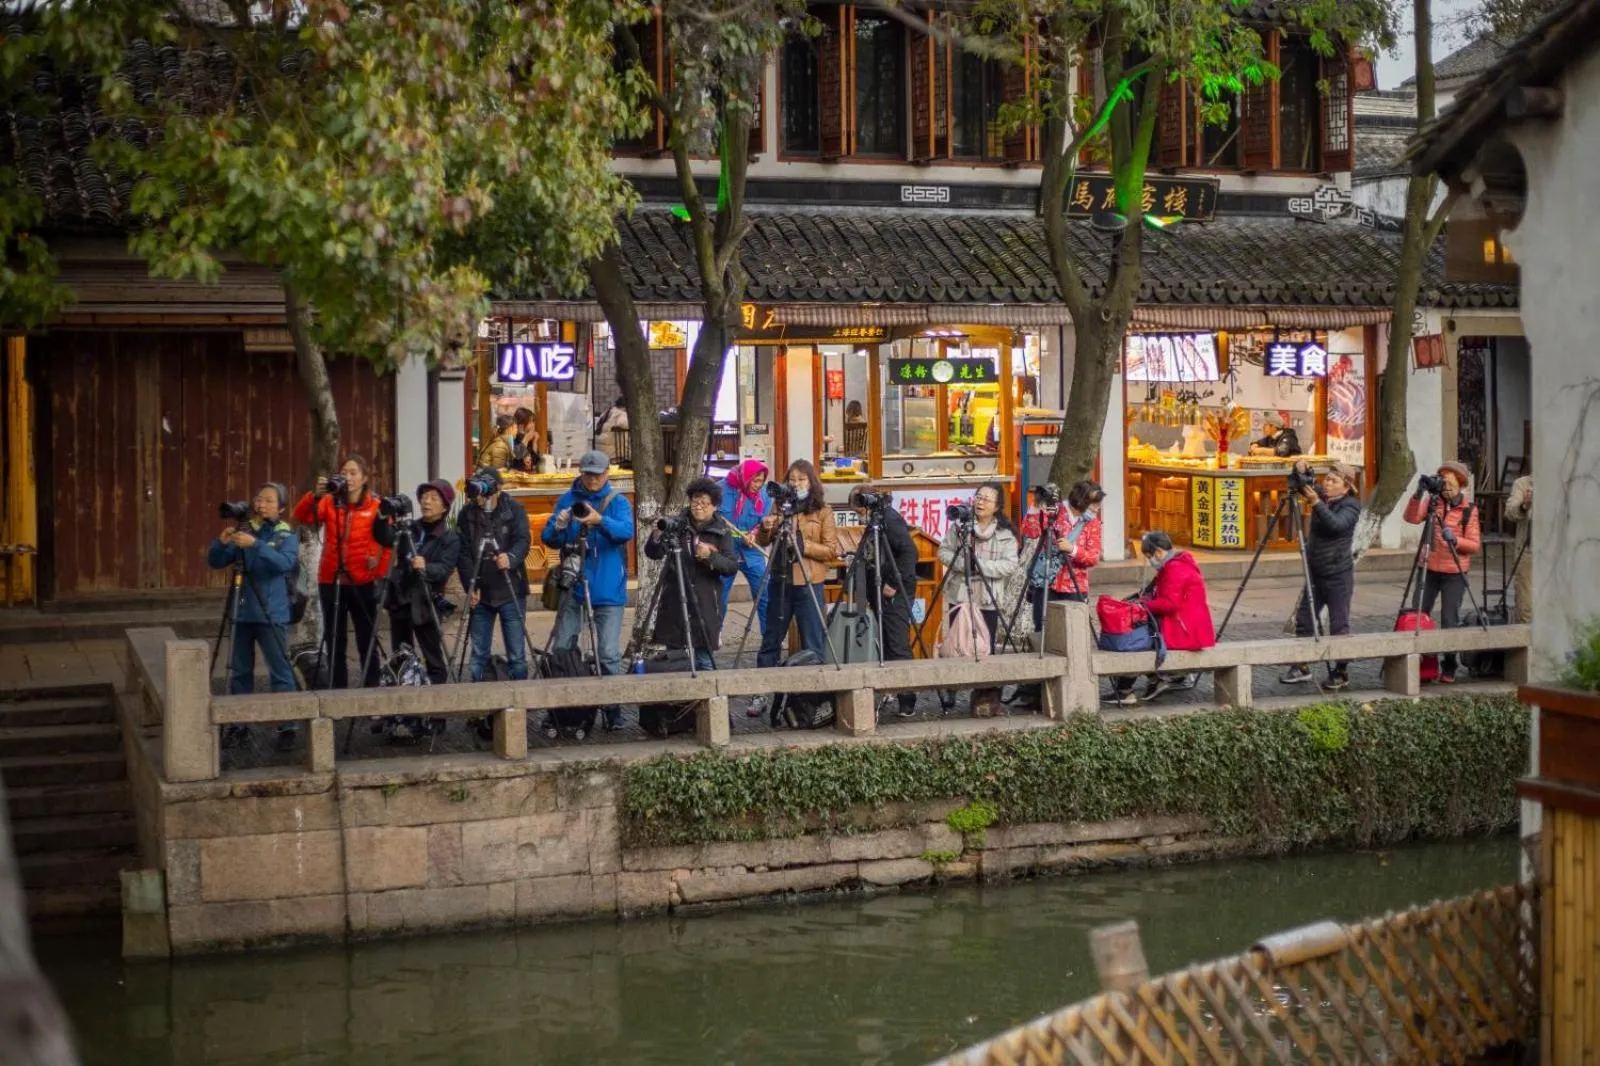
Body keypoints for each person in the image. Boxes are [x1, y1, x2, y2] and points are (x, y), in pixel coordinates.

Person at [543, 450, 635, 724]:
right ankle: (565, 711)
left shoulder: (616, 501)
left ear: (607, 473)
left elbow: (626, 532)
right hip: (573, 584)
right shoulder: (568, 499)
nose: (592, 479)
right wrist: (559, 526)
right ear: (581, 473)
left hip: (607, 587)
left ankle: (613, 710)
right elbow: (549, 538)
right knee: (563, 647)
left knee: (608, 652)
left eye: (597, 474)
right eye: (588, 473)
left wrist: (599, 520)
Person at [207, 482, 300, 749]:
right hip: (242, 610)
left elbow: (283, 564)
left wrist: (256, 545)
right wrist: (221, 543)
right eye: (259, 499)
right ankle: (239, 724)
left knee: (280, 671)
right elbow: (216, 561)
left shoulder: (286, 535)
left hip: (272, 613)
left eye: (269, 500)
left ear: (281, 507)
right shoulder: (246, 531)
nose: (261, 504)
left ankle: (287, 724)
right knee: (239, 672)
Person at [293, 456, 393, 689]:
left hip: (363, 581)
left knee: (366, 638)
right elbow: (302, 517)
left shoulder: (377, 506)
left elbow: (387, 543)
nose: (348, 477)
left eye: (353, 473)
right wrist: (314, 495)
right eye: (344, 472)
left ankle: (371, 690)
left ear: (365, 477)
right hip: (331, 579)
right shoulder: (329, 501)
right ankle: (338, 693)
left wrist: (376, 566)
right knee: (335, 639)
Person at [937, 483, 1020, 717]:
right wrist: (965, 564)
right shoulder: (960, 528)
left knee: (985, 647)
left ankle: (984, 697)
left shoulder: (1006, 535)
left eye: (986, 499)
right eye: (978, 497)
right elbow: (943, 552)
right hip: (960, 595)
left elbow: (1010, 565)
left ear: (998, 507)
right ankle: (951, 689)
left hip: (988, 598)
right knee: (956, 643)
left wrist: (980, 566)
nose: (980, 502)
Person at [644, 477, 740, 671]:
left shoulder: (721, 531)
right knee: (675, 657)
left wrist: (710, 557)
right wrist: (655, 537)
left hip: (704, 600)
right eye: (695, 502)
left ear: (714, 506)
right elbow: (654, 554)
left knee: (704, 656)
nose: (698, 507)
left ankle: (708, 698)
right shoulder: (677, 525)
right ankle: (678, 700)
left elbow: (731, 566)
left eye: (704, 503)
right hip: (675, 597)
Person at [753, 460, 839, 676]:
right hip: (780, 580)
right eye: (792, 479)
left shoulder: (823, 511)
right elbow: (764, 542)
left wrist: (802, 545)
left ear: (811, 482)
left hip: (808, 582)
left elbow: (831, 550)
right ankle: (762, 690)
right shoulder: (779, 506)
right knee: (771, 638)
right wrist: (765, 528)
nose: (796, 484)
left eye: (801, 479)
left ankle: (810, 698)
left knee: (813, 641)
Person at [1109, 531, 1216, 706]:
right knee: (1140, 635)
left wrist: (1142, 606)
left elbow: (1169, 604)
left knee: (1136, 639)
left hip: (1183, 630)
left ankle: (1124, 690)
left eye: (1149, 556)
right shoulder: (1178, 563)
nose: (1150, 561)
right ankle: (1151, 680)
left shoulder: (1175, 568)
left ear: (1159, 552)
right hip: (1187, 626)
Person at [1281, 462, 1362, 690]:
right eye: (1327, 479)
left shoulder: (1351, 506)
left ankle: (1341, 670)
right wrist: (1300, 468)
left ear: (1346, 487)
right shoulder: (1322, 497)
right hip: (1315, 572)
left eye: (1333, 481)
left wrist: (1316, 503)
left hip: (1338, 574)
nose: (1327, 483)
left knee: (1339, 624)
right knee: (1305, 619)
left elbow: (1336, 525)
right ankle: (1302, 665)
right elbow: (1300, 481)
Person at [1403, 459, 1482, 683]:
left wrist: (1455, 540)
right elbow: (1410, 518)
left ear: (1460, 484)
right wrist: (1418, 493)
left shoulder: (1469, 509)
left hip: (1454, 571)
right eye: (1442, 481)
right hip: (1428, 567)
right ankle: (1422, 664)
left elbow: (1474, 546)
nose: (1445, 486)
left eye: (1449, 482)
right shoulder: (1432, 503)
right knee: (1419, 615)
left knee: (1449, 619)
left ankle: (1449, 665)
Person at [849, 486, 920, 718]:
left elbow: (910, 553)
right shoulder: (877, 520)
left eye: (859, 510)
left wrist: (894, 584)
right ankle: (891, 687)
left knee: (897, 642)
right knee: (886, 640)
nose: (859, 515)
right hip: (878, 588)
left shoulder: (890, 520)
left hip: (894, 592)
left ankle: (907, 697)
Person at [456, 468, 531, 682]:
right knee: (478, 654)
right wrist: (470, 584)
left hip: (511, 589)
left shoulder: (514, 509)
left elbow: (523, 540)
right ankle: (480, 707)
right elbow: (463, 554)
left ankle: (520, 703)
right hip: (481, 592)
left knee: (516, 654)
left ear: (497, 489)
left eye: (482, 490)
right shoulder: (467, 514)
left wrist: (511, 557)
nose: (478, 496)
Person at [386, 480, 461, 687]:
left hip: (426, 602)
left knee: (433, 658)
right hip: (401, 599)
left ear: (445, 506)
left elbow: (445, 568)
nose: (426, 502)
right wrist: (382, 517)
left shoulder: (449, 537)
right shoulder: (409, 528)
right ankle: (403, 708)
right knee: (401, 656)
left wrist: (425, 566)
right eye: (424, 497)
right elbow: (384, 538)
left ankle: (436, 712)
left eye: (433, 498)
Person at [1019, 480, 1105, 632]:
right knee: (1043, 629)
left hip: (1074, 585)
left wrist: (1072, 550)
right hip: (1046, 582)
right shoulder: (1054, 511)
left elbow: (1093, 557)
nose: (1098, 508)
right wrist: (1036, 505)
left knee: (1074, 632)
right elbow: (1029, 532)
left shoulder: (1093, 523)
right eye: (1095, 503)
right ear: (1081, 501)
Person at [718, 459, 771, 631]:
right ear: (745, 477)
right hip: (725, 550)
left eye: (761, 481)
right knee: (718, 596)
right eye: (755, 480)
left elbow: (764, 521)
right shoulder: (720, 490)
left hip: (751, 551)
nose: (758, 485)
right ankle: (712, 635)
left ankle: (768, 639)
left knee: (764, 593)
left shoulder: (764, 496)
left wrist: (755, 533)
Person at [1505, 472, 1533, 624]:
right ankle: (1525, 645)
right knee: (1526, 604)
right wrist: (1524, 505)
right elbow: (1510, 512)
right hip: (1528, 551)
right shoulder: (1523, 484)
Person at [511, 407, 542, 472]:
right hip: (515, 476)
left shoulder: (530, 438)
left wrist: (535, 442)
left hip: (528, 475)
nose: (533, 425)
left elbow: (535, 462)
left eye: (533, 421)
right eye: (530, 422)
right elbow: (516, 459)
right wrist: (526, 439)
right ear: (521, 424)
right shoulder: (513, 438)